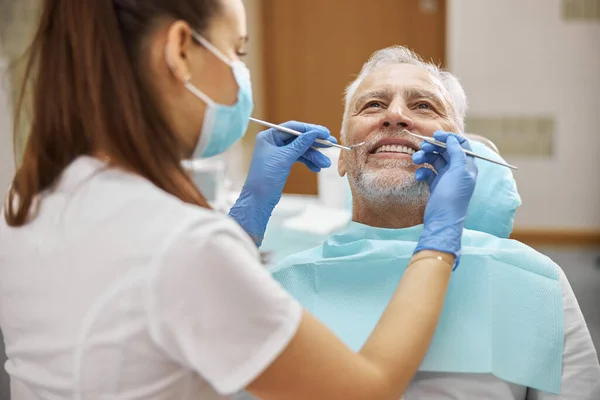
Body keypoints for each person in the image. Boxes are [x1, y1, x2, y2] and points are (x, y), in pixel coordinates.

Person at [0, 1, 478, 399]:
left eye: (422, 105)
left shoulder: (30, 202)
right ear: (181, 50)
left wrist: (243, 222)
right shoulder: (191, 249)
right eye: (237, 51)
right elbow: (365, 391)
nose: (395, 116)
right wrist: (439, 243)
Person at [270, 46, 600, 399]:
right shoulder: (281, 287)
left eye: (424, 106)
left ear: (461, 153)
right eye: (373, 105)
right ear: (342, 160)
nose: (395, 116)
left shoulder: (534, 282)